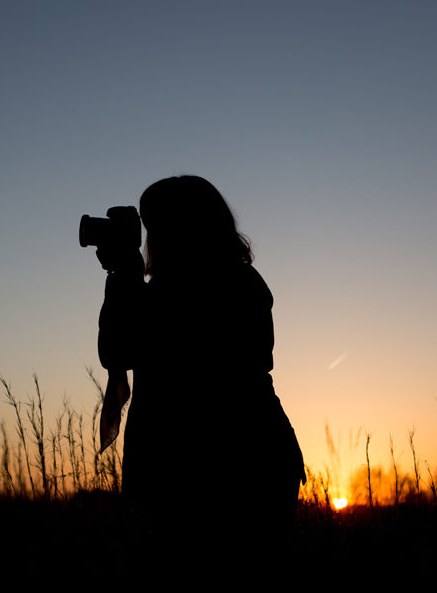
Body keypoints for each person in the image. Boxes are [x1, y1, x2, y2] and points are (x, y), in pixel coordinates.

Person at [94, 175, 304, 566]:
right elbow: (118, 351)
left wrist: (127, 279)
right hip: (226, 459)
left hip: (231, 463)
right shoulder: (185, 288)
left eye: (156, 225)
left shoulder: (229, 285)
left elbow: (139, 346)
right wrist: (123, 278)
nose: (152, 236)